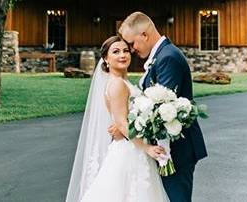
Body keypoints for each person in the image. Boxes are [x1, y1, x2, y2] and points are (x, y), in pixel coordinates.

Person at [116, 12, 208, 202]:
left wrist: (128, 128)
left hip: (176, 150)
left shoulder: (168, 58)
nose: (131, 50)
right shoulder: (160, 55)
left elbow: (160, 110)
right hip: (166, 148)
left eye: (132, 44)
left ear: (144, 35)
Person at [65, 35, 169, 202]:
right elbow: (121, 123)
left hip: (131, 146)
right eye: (116, 52)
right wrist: (146, 148)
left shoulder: (122, 81)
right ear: (106, 59)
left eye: (126, 51)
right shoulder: (117, 84)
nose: (122, 55)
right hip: (131, 150)